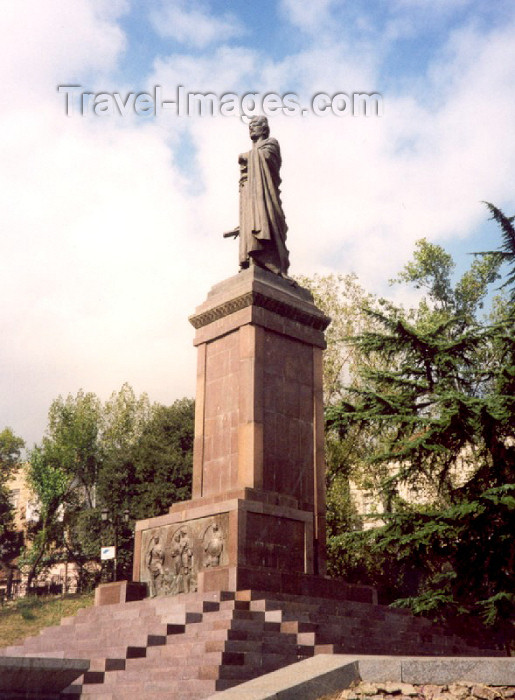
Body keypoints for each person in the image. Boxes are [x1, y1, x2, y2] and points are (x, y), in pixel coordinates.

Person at [225, 116, 290, 277]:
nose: (251, 128)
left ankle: (268, 262)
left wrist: (248, 156)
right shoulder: (254, 152)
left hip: (265, 196)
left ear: (265, 129)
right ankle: (250, 260)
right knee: (250, 224)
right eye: (249, 126)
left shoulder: (271, 143)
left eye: (255, 125)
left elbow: (267, 158)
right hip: (250, 196)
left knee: (266, 221)